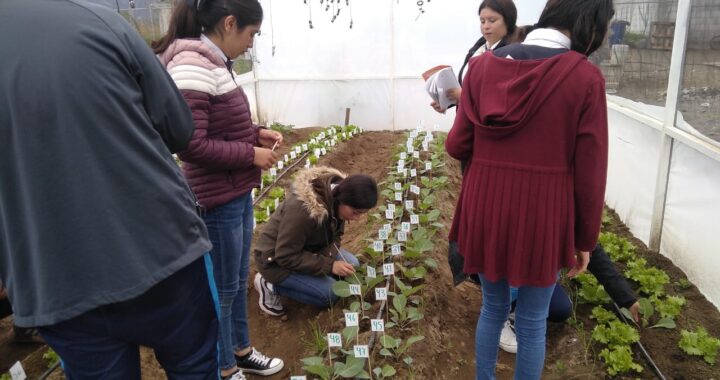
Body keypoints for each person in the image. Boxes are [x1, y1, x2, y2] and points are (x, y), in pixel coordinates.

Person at [0, 0, 219, 378]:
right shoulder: (96, 20)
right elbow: (179, 129)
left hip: (56, 280)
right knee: (194, 366)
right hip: (160, 254)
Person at [445, 0, 615, 378]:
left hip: (485, 201)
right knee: (534, 319)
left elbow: (456, 145)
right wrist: (584, 238)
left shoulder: (481, 67)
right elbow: (591, 171)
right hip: (543, 209)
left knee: (492, 307)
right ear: (591, 25)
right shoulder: (585, 79)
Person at [153, 1, 283, 378]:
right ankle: (224, 367)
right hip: (215, 198)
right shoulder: (192, 63)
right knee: (221, 292)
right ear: (229, 23)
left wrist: (257, 133)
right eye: (251, 34)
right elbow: (189, 143)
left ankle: (240, 350)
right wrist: (250, 154)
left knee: (234, 283)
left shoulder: (214, 61)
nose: (251, 44)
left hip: (235, 191)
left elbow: (217, 124)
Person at [254, 167, 378, 312]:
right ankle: (269, 285)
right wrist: (330, 266)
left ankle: (310, 278)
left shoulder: (338, 202)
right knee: (330, 294)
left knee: (352, 265)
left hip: (309, 249)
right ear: (342, 199)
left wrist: (328, 260)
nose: (356, 218)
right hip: (276, 261)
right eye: (355, 212)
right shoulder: (303, 211)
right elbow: (285, 255)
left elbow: (335, 237)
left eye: (361, 214)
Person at [430, 0, 518, 114]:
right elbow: (465, 86)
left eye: (492, 20)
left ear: (508, 21)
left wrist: (465, 96)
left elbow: (503, 97)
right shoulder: (479, 46)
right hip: (466, 120)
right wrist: (448, 101)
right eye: (482, 21)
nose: (486, 26)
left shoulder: (513, 54)